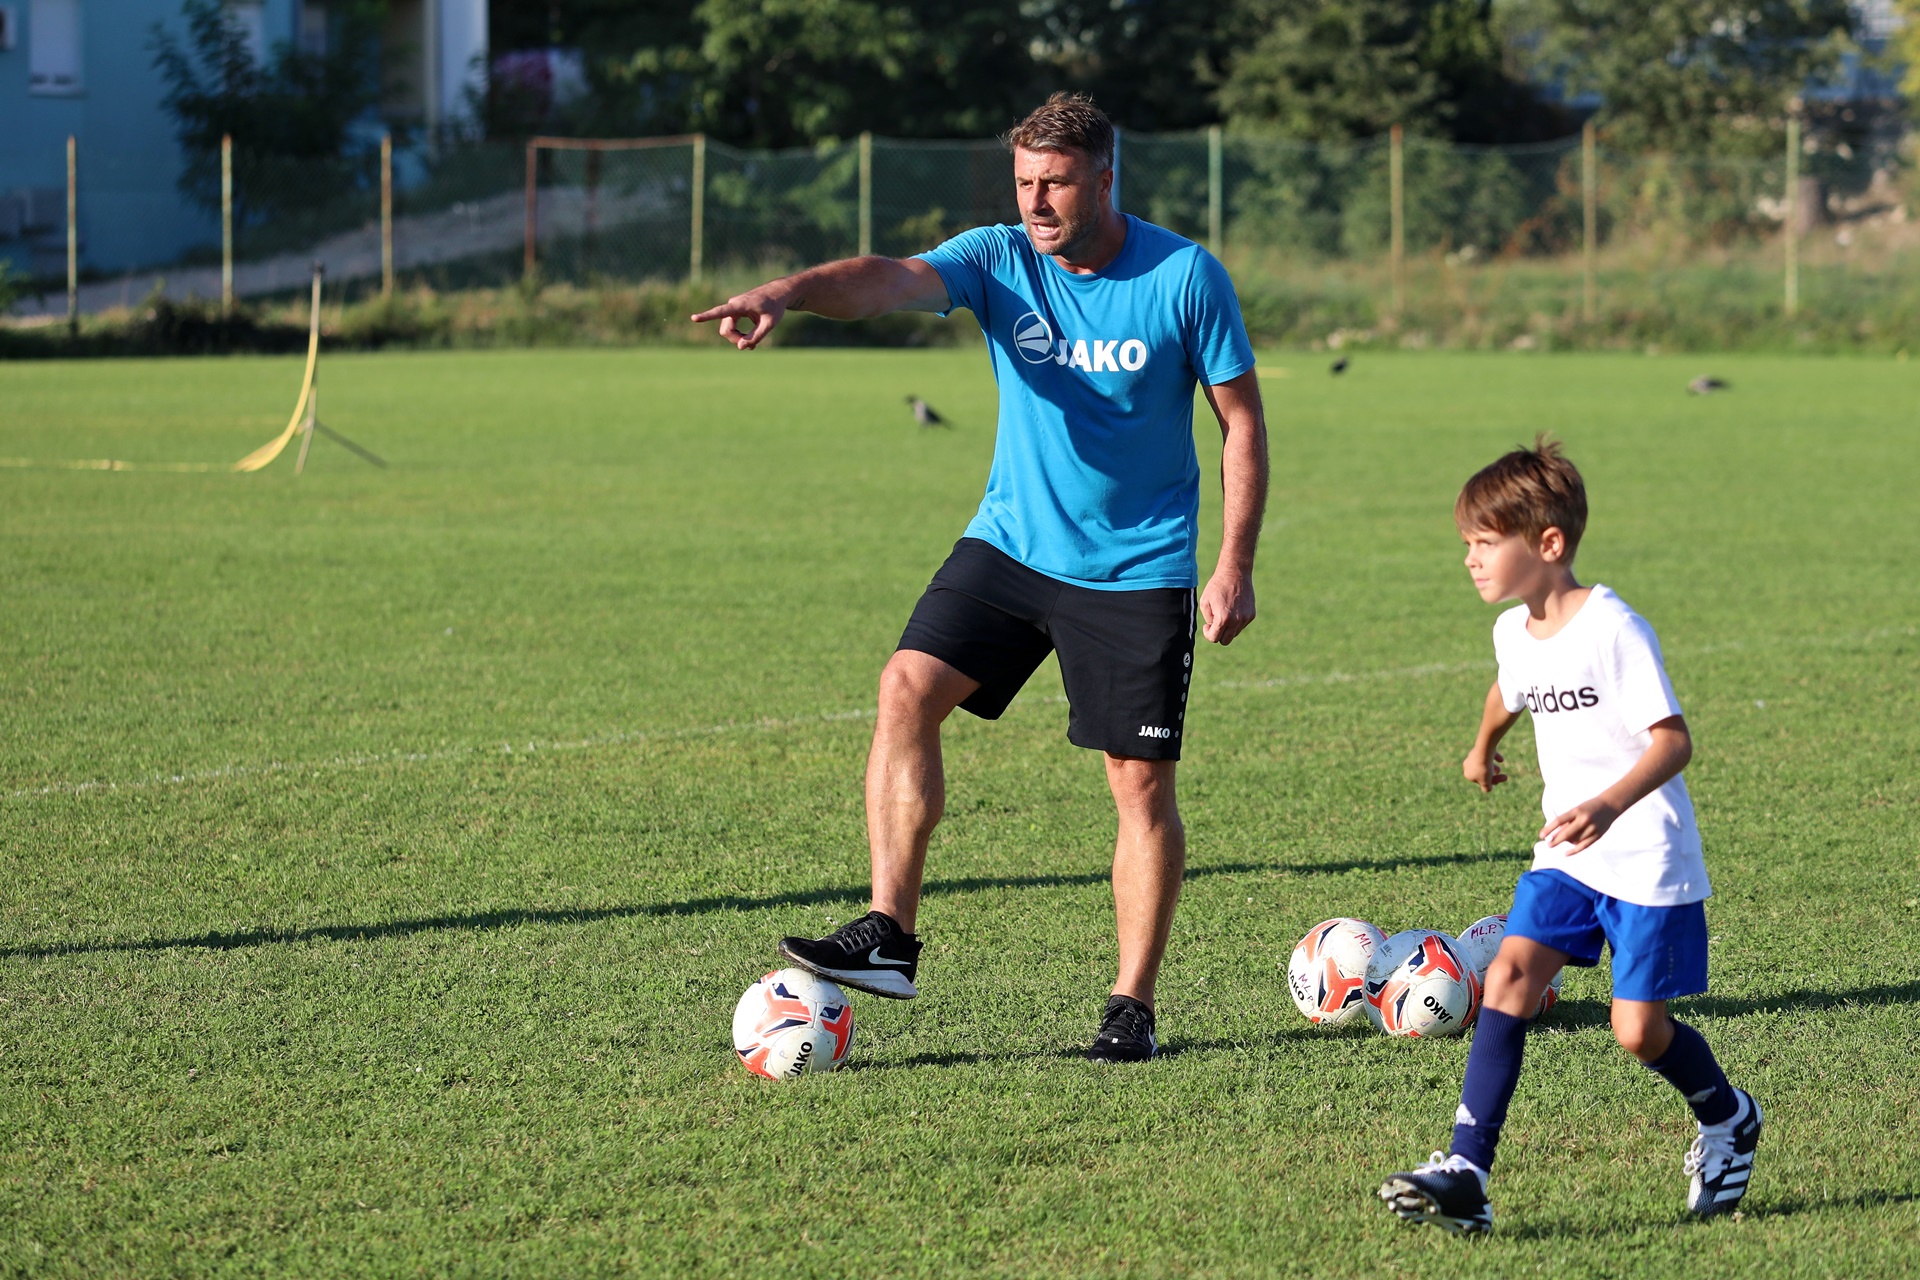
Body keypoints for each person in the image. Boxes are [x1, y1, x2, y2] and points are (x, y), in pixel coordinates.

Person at [690, 93, 1268, 1062]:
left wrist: (1233, 564)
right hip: (1010, 544)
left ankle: (1131, 1002)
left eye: (1057, 183)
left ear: (1104, 178)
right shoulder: (999, 257)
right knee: (905, 686)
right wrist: (791, 290)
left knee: (1138, 785)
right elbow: (885, 280)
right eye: (1025, 182)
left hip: (1134, 566)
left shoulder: (1184, 276)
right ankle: (890, 931)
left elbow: (1240, 421)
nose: (1037, 201)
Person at [1378, 437, 1760, 1233]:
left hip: (1645, 854)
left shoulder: (1614, 626)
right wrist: (1484, 746)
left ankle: (1727, 1119)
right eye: (1467, 546)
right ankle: (1467, 1170)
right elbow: (1507, 689)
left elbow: (1673, 740)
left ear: (1548, 546)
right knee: (1511, 977)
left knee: (1637, 1032)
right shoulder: (1514, 632)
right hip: (1567, 853)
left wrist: (1612, 804)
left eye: (1485, 544)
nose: (1471, 561)